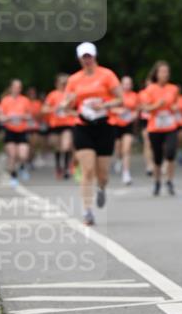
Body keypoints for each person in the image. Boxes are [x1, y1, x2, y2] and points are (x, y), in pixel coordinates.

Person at [61, 42, 123, 225]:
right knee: (87, 169)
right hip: (83, 126)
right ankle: (87, 210)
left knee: (102, 173)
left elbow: (121, 99)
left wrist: (104, 105)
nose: (87, 60)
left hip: (104, 125)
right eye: (83, 57)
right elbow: (65, 107)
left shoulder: (107, 75)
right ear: (79, 58)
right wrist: (69, 102)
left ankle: (101, 188)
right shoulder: (74, 80)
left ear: (95, 57)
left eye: (89, 56)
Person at [142, 61, 180, 196]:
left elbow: (177, 104)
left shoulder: (173, 88)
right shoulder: (150, 89)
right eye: (162, 72)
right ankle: (157, 181)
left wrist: (176, 107)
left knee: (170, 153)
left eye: (167, 72)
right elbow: (145, 107)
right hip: (155, 127)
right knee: (157, 157)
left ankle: (169, 180)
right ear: (156, 74)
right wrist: (157, 105)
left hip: (170, 125)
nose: (165, 74)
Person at [0, 79, 33, 187]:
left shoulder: (25, 100)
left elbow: (30, 116)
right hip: (10, 130)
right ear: (11, 88)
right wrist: (7, 118)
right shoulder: (5, 100)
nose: (17, 89)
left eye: (19, 87)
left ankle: (22, 166)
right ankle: (13, 176)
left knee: (23, 155)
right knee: (12, 155)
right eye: (15, 87)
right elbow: (0, 117)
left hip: (22, 130)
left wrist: (22, 117)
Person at [43, 74, 78, 179]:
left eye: (65, 82)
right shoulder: (52, 95)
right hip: (55, 125)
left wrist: (68, 111)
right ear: (56, 83)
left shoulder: (71, 95)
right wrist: (55, 109)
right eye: (61, 82)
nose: (63, 84)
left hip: (68, 124)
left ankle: (67, 168)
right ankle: (59, 167)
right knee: (57, 147)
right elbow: (44, 109)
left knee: (66, 146)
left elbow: (78, 110)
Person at [109, 76, 139, 185]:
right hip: (116, 124)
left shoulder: (135, 96)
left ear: (131, 85)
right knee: (118, 147)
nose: (127, 86)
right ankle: (118, 159)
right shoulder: (115, 95)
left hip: (128, 125)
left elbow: (137, 110)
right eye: (125, 84)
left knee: (126, 149)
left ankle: (126, 173)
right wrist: (119, 111)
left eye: (129, 84)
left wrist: (133, 116)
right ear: (121, 85)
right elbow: (109, 108)